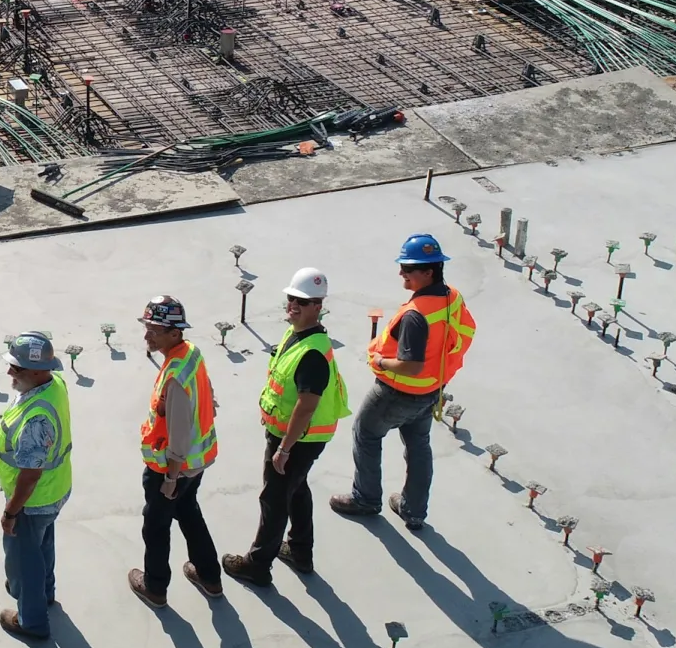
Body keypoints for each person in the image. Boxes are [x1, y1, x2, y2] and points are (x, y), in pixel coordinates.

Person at [331, 234, 476, 532]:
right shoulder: (452, 297)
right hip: (431, 390)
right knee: (419, 445)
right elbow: (460, 335)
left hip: (397, 393)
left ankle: (366, 499)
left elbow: (410, 365)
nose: (402, 273)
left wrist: (380, 362)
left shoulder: (415, 316)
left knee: (366, 434)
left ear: (428, 272)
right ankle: (414, 511)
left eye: (408, 268)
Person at [222, 269, 350, 587]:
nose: (293, 305)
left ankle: (257, 564)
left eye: (302, 301)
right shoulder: (298, 335)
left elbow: (306, 405)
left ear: (317, 305)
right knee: (296, 489)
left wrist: (284, 448)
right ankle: (300, 551)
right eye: (291, 298)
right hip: (294, 436)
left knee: (274, 497)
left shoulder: (312, 354)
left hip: (298, 439)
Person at [126, 295, 223, 607]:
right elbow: (205, 390)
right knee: (188, 512)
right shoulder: (190, 354)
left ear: (174, 333)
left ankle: (155, 587)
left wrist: (170, 477)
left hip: (172, 468)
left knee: (155, 527)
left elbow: (179, 432)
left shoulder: (176, 376)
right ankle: (210, 576)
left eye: (153, 331)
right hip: (197, 463)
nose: (146, 336)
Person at [0, 331, 73, 642]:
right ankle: (44, 593)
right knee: (42, 546)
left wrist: (11, 512)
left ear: (40, 371)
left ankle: (32, 620)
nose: (11, 372)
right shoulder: (53, 385)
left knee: (24, 558)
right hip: (54, 491)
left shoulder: (37, 419)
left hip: (34, 499)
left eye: (18, 368)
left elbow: (30, 474)